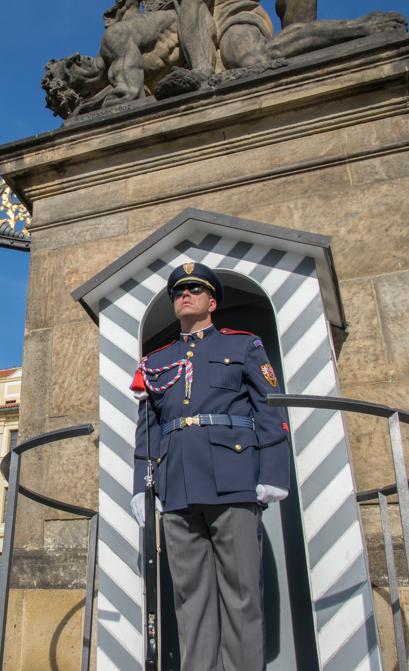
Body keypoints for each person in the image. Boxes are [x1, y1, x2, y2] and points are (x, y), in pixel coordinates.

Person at [128, 262, 290, 671]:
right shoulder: (156, 359)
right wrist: (140, 487)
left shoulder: (243, 346)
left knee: (241, 594)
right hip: (176, 483)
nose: (185, 295)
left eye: (195, 290)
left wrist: (272, 473)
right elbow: (147, 430)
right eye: (179, 290)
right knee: (189, 597)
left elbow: (269, 412)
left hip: (233, 477)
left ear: (212, 301)